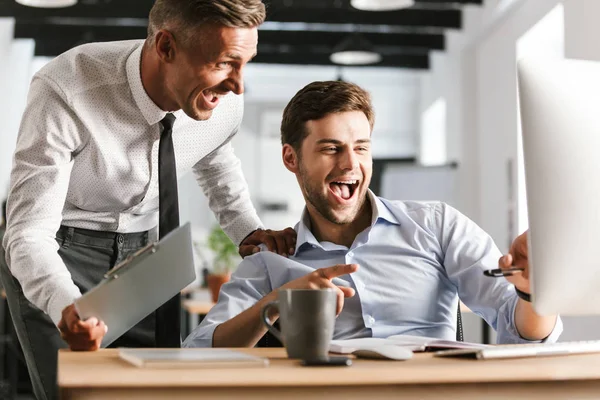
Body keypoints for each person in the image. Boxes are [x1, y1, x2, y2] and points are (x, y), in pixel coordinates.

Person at [0, 1, 296, 399]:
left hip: (146, 250)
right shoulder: (67, 88)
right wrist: (68, 307)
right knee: (74, 393)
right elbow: (28, 234)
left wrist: (245, 228)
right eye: (224, 63)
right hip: (59, 252)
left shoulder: (222, 98)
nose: (238, 85)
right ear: (166, 47)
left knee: (152, 389)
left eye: (246, 62)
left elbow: (216, 158)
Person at [183, 80, 562, 348]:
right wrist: (277, 301)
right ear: (291, 158)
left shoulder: (437, 226)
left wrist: (531, 295)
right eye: (331, 148)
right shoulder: (272, 261)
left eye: (361, 148)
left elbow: (522, 330)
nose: (351, 165)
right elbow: (200, 351)